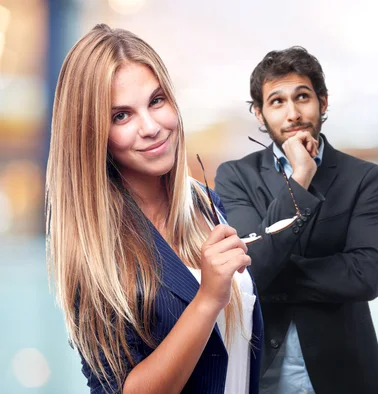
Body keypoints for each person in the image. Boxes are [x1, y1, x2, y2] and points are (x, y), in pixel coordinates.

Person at [45, 24, 263, 394]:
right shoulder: (95, 252)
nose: (151, 127)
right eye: (121, 116)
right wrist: (208, 299)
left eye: (157, 101)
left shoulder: (207, 205)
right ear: (91, 134)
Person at [214, 46, 378, 394]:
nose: (292, 113)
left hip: (343, 374)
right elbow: (254, 271)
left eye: (303, 97)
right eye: (277, 101)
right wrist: (301, 178)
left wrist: (270, 276)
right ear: (260, 114)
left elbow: (364, 277)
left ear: (323, 102)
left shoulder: (365, 178)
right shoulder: (235, 177)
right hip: (263, 373)